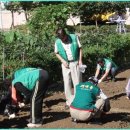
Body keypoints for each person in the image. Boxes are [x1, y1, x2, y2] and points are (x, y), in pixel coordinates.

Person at [54, 28, 83, 108]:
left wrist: (80, 60)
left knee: (77, 82)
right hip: (65, 64)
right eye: (61, 39)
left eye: (63, 38)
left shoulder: (74, 37)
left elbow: (80, 48)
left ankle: (78, 100)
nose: (62, 40)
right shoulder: (57, 42)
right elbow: (56, 53)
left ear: (66, 35)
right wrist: (62, 61)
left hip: (75, 62)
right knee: (67, 83)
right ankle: (69, 101)